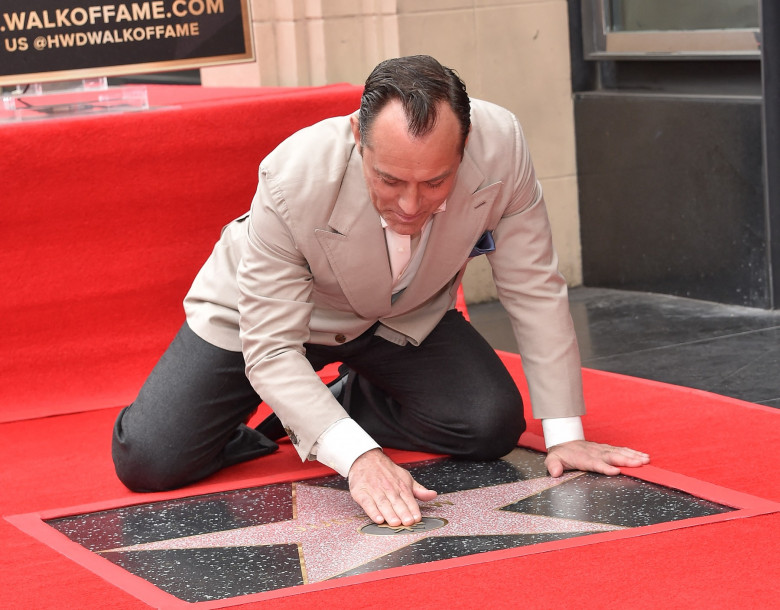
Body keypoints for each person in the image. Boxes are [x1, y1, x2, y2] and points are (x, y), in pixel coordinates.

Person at [113, 55, 649, 527]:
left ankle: (345, 399)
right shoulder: (292, 174)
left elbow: (532, 283)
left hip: (399, 316)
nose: (411, 207)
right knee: (151, 459)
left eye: (435, 181)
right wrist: (357, 456)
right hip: (265, 320)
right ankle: (302, 417)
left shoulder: (502, 146)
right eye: (390, 180)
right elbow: (272, 346)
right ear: (357, 137)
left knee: (490, 424)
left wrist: (564, 431)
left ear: (465, 147)